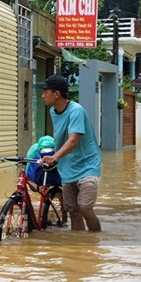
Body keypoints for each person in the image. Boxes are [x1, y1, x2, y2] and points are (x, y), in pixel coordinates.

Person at [39, 74, 102, 232]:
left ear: (56, 94)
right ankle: (78, 247)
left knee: (85, 207)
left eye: (45, 91)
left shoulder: (76, 111)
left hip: (87, 165)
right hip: (68, 166)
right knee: (73, 211)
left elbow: (73, 140)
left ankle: (96, 241)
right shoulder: (54, 111)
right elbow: (60, 136)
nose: (42, 95)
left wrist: (55, 157)